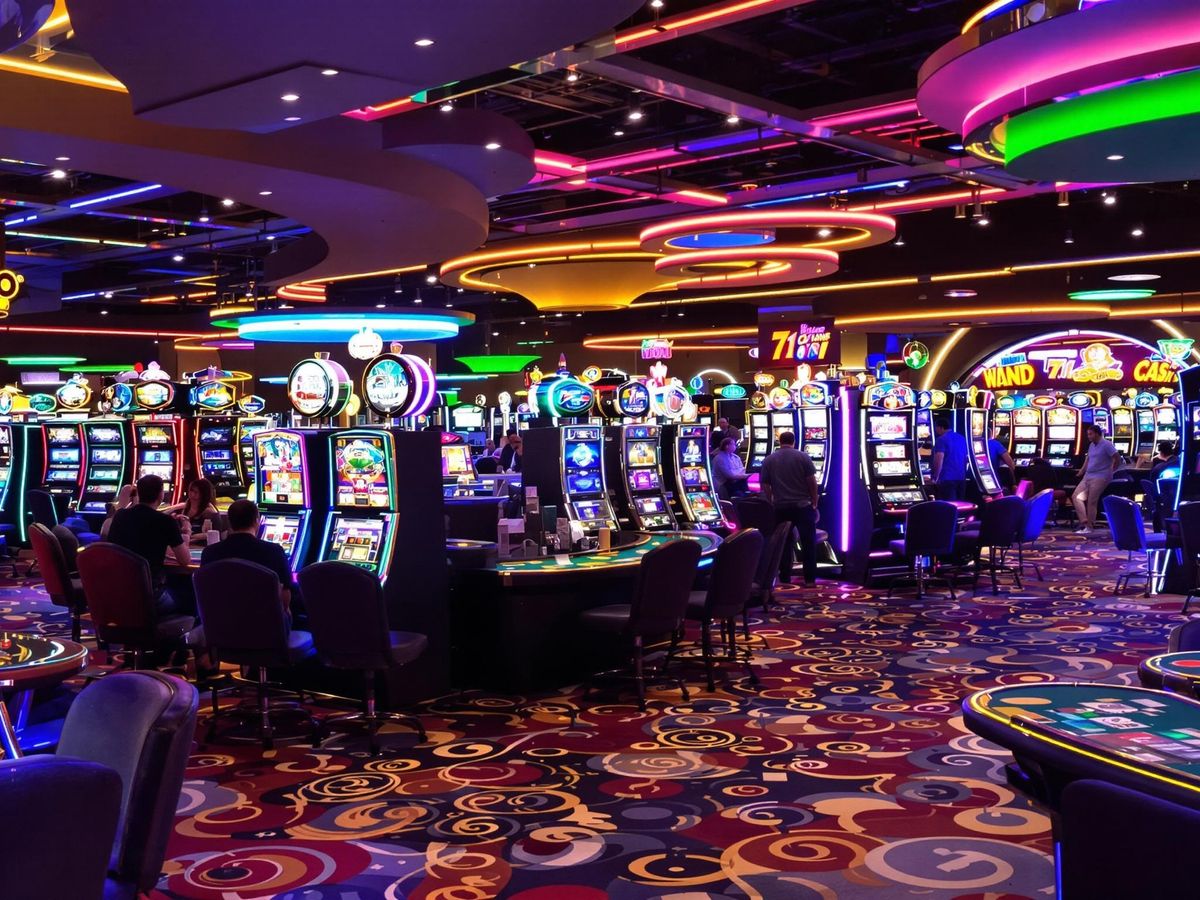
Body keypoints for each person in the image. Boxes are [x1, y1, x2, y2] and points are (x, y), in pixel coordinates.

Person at [200, 499, 293, 619]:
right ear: (256, 521)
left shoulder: (209, 553)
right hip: (265, 625)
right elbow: (285, 598)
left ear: (229, 522)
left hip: (222, 624)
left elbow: (205, 594)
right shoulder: (274, 551)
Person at [106, 474, 192, 604]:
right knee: (191, 597)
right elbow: (185, 560)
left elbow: (111, 549)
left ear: (139, 493)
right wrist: (187, 531)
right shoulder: (165, 521)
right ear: (160, 495)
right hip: (150, 595)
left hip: (119, 591)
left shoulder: (120, 516)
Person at [760, 431, 819, 585]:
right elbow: (811, 481)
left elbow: (765, 484)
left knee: (783, 543)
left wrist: (771, 499)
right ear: (794, 441)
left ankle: (785, 577)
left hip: (781, 506)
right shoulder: (803, 457)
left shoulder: (769, 459)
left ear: (779, 441)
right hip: (802, 505)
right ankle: (810, 579)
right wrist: (814, 500)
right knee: (808, 543)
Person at [1072, 424, 1120, 534]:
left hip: (1101, 476)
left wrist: (1112, 470)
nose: (1088, 436)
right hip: (1088, 475)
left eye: (1090, 434)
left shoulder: (1107, 444)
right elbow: (1088, 459)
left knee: (1092, 501)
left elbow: (1117, 457)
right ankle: (1084, 522)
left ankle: (1089, 527)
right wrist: (1082, 471)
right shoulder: (1091, 445)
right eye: (1088, 434)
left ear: (1097, 433)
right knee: (1076, 497)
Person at [931, 416, 969, 501]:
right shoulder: (962, 438)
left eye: (935, 427)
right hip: (961, 478)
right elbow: (966, 458)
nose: (935, 430)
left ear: (940, 427)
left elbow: (939, 459)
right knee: (960, 507)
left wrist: (935, 477)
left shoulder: (941, 439)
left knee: (948, 508)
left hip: (946, 479)